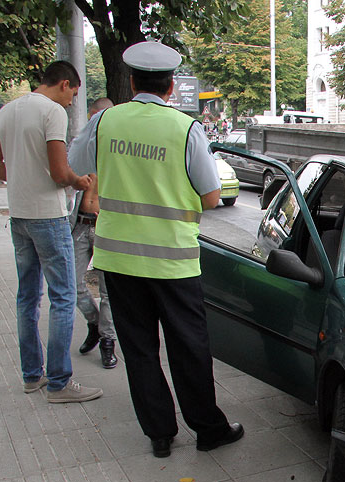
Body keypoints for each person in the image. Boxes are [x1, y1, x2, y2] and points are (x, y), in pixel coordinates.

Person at [68, 41, 244, 458]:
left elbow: (77, 163)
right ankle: (207, 429)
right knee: (190, 347)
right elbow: (212, 196)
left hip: (120, 260)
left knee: (140, 348)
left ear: (131, 82)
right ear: (170, 87)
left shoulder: (104, 121)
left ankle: (160, 435)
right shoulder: (185, 129)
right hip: (173, 262)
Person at [0, 61, 104, 403]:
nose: (71, 102)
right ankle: (59, 383)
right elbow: (58, 172)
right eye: (74, 95)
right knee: (64, 296)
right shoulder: (52, 112)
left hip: (19, 216)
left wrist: (22, 176)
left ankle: (32, 376)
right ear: (64, 84)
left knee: (27, 297)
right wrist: (78, 181)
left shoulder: (6, 112)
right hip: (49, 218)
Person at [69, 97, 117, 369]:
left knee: (108, 292)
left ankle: (108, 342)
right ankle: (95, 323)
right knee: (73, 286)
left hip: (105, 228)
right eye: (91, 117)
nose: (93, 122)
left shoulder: (120, 151)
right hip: (79, 226)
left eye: (96, 117)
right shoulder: (82, 149)